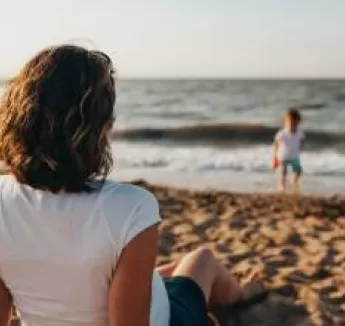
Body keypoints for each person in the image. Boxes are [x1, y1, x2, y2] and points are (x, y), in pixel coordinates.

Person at [0, 45, 265, 326]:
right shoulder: (132, 207)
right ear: (102, 129)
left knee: (162, 273)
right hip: (171, 320)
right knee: (202, 260)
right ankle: (243, 296)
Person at [271, 108, 304, 192]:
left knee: (298, 171)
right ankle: (281, 185)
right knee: (283, 171)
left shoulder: (299, 133)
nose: (292, 125)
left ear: (298, 123)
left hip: (294, 156)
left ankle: (294, 182)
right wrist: (274, 157)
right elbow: (275, 144)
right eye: (290, 122)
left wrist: (299, 150)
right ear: (285, 122)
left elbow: (299, 142)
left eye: (295, 123)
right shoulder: (282, 133)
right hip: (283, 156)